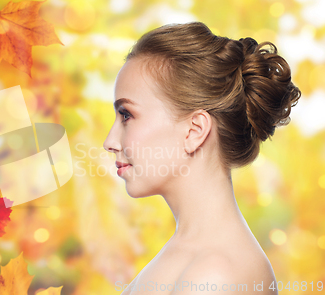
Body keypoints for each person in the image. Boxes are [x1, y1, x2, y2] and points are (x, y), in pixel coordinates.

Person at [103, 22, 301, 295]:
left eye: (127, 115)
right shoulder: (189, 254)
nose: (109, 142)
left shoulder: (216, 275)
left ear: (195, 131)